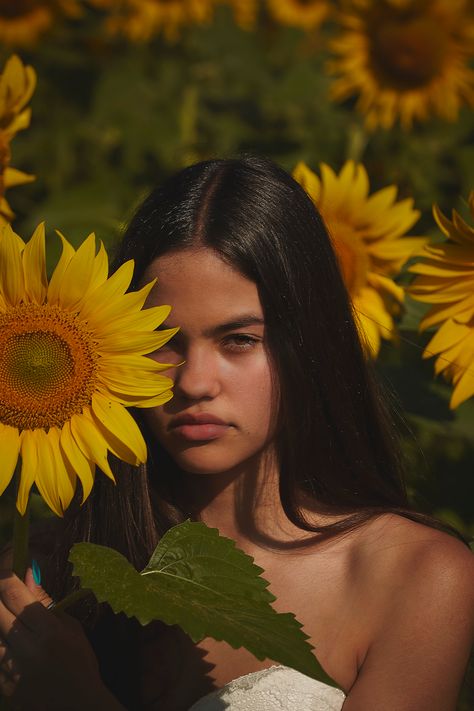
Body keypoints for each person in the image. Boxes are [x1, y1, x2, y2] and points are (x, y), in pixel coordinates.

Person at [0, 155, 473, 710]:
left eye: (240, 339)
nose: (195, 382)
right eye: (162, 341)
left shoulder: (417, 577)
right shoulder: (44, 567)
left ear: (309, 342)